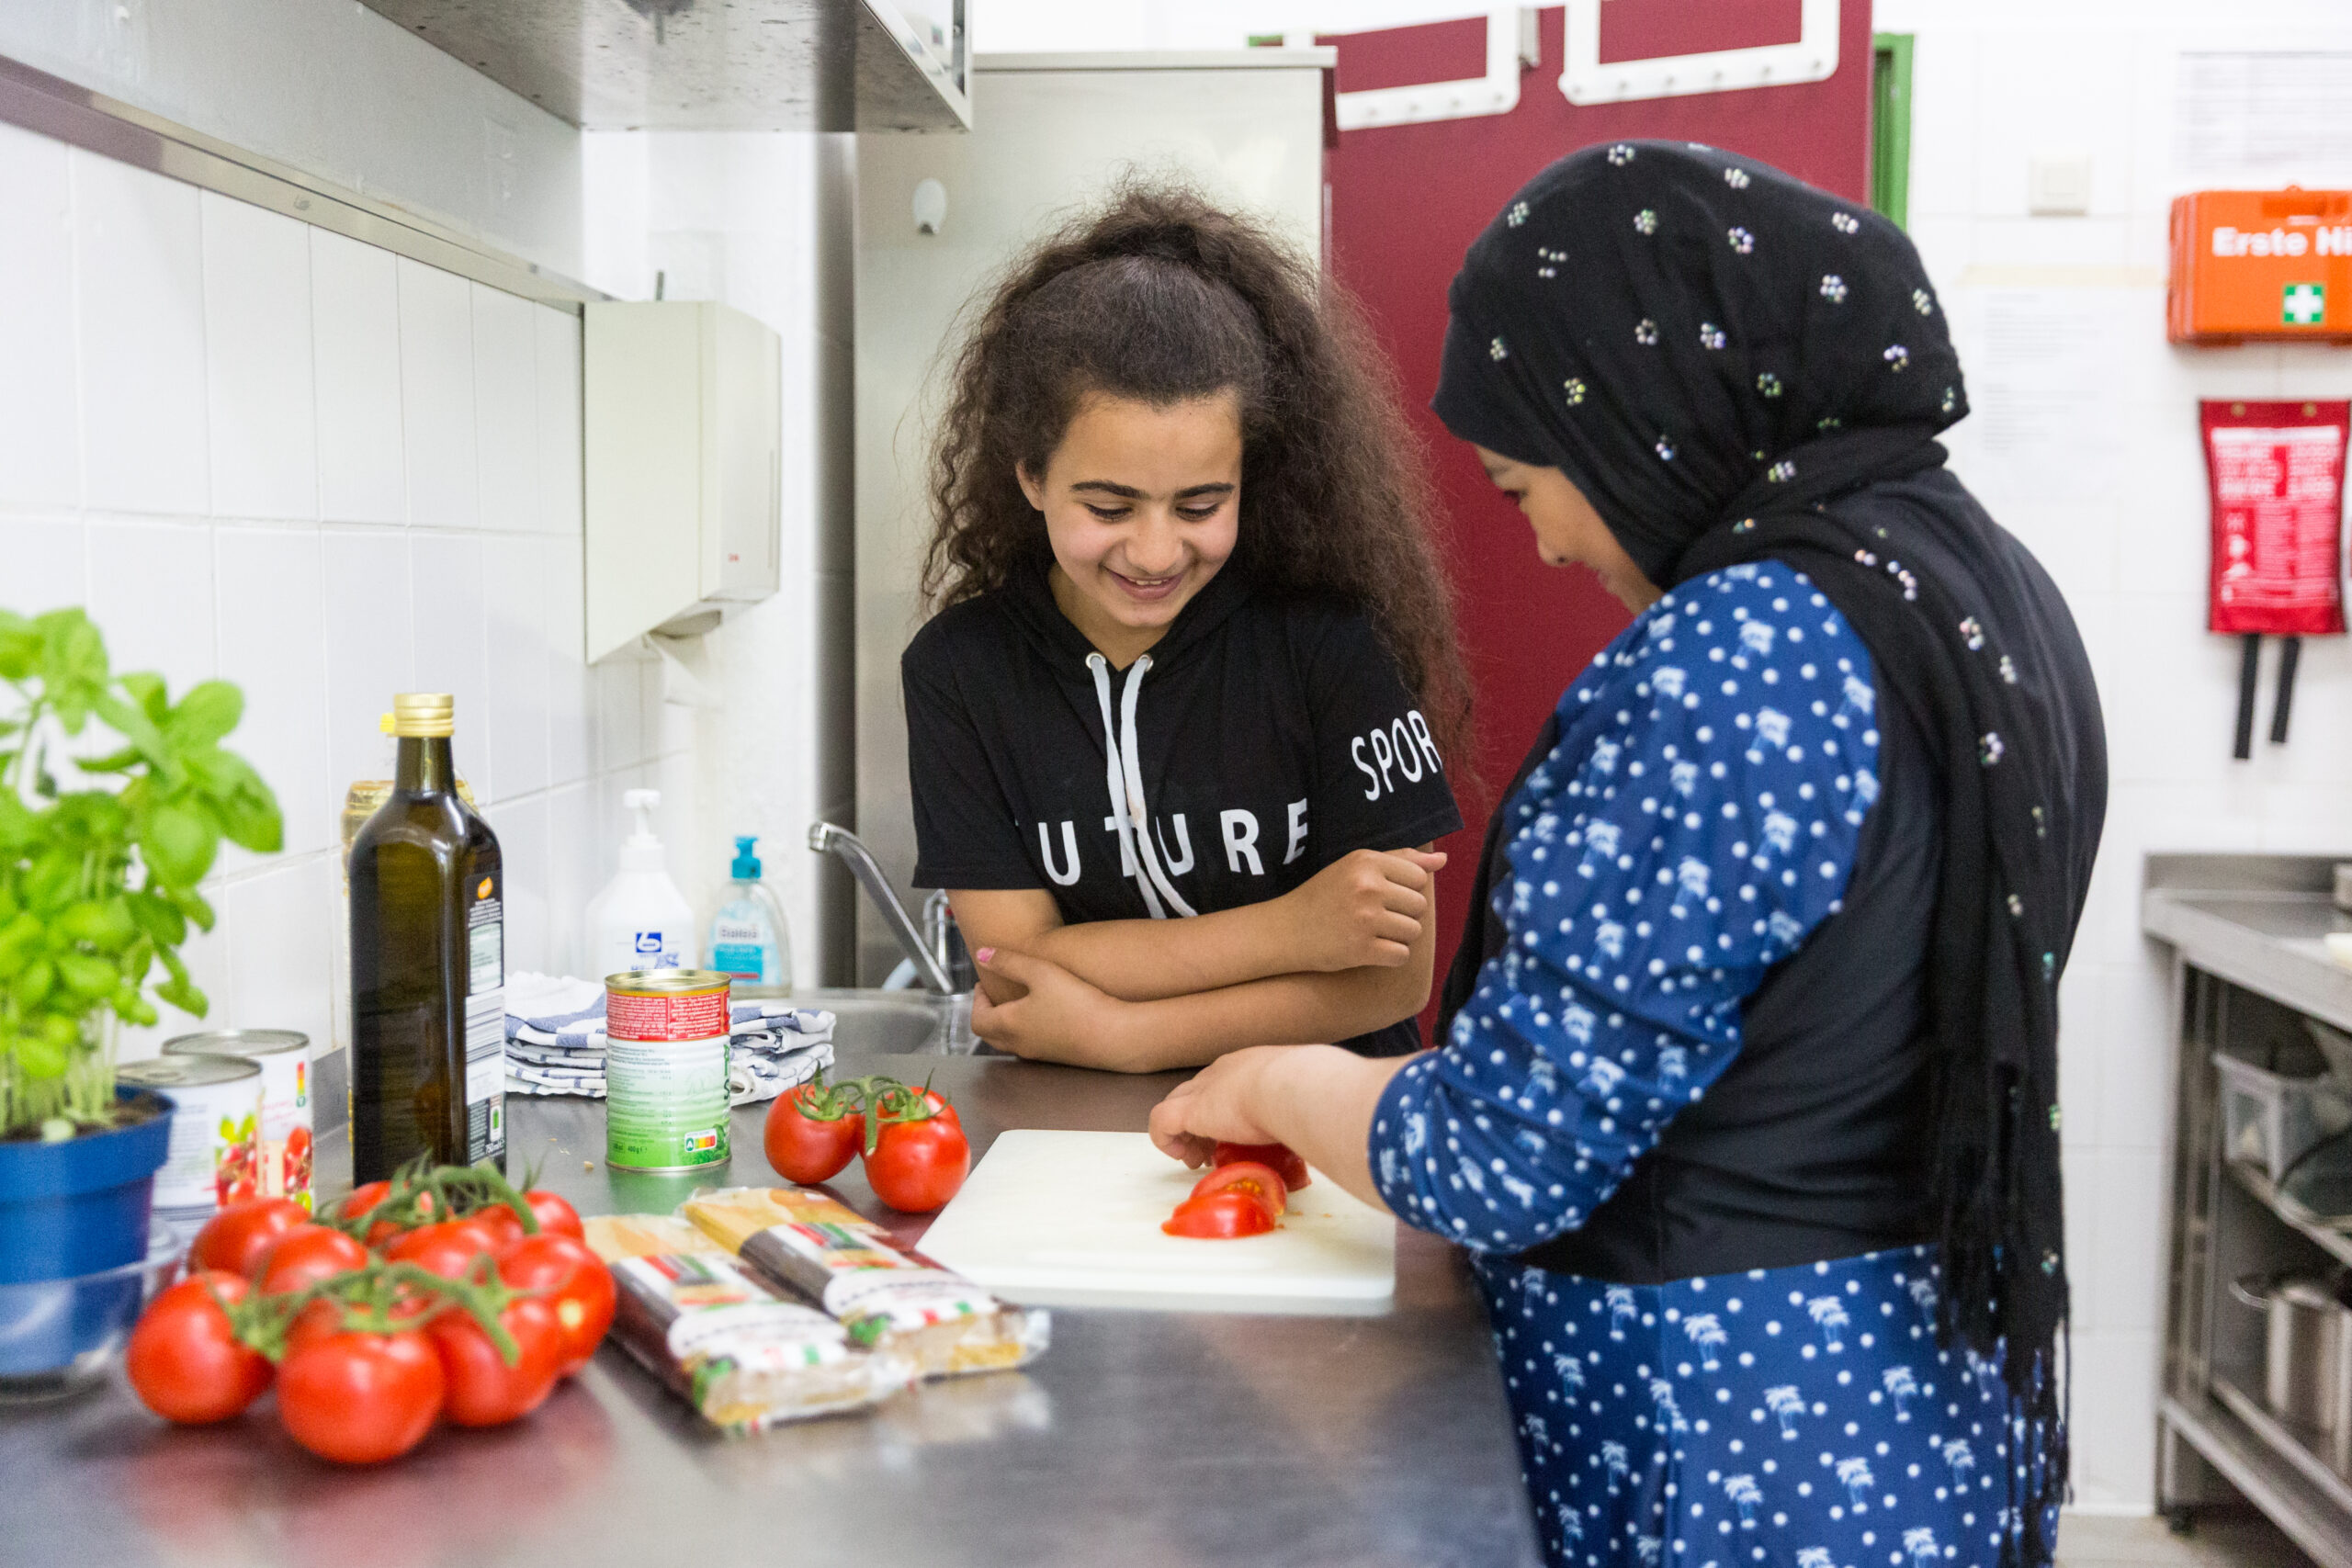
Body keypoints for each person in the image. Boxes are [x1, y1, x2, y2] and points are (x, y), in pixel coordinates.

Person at [1148, 142, 2105, 1568]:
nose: (1539, 546)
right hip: (1920, 1413)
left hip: (1732, 1448)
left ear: (1636, 425)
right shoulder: (1978, 584)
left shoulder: (1747, 651)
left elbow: (1501, 1156)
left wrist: (1278, 1084)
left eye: (1526, 485)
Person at [902, 186, 1472, 1072]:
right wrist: (1299, 928)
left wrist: (1125, 1030)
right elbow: (1014, 967)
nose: (1156, 550)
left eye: (1201, 504)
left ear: (1250, 476)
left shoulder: (1331, 641)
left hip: (1319, 1121)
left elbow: (1393, 980)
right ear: (1030, 476)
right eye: (1109, 504)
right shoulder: (959, 670)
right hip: (1071, 1127)